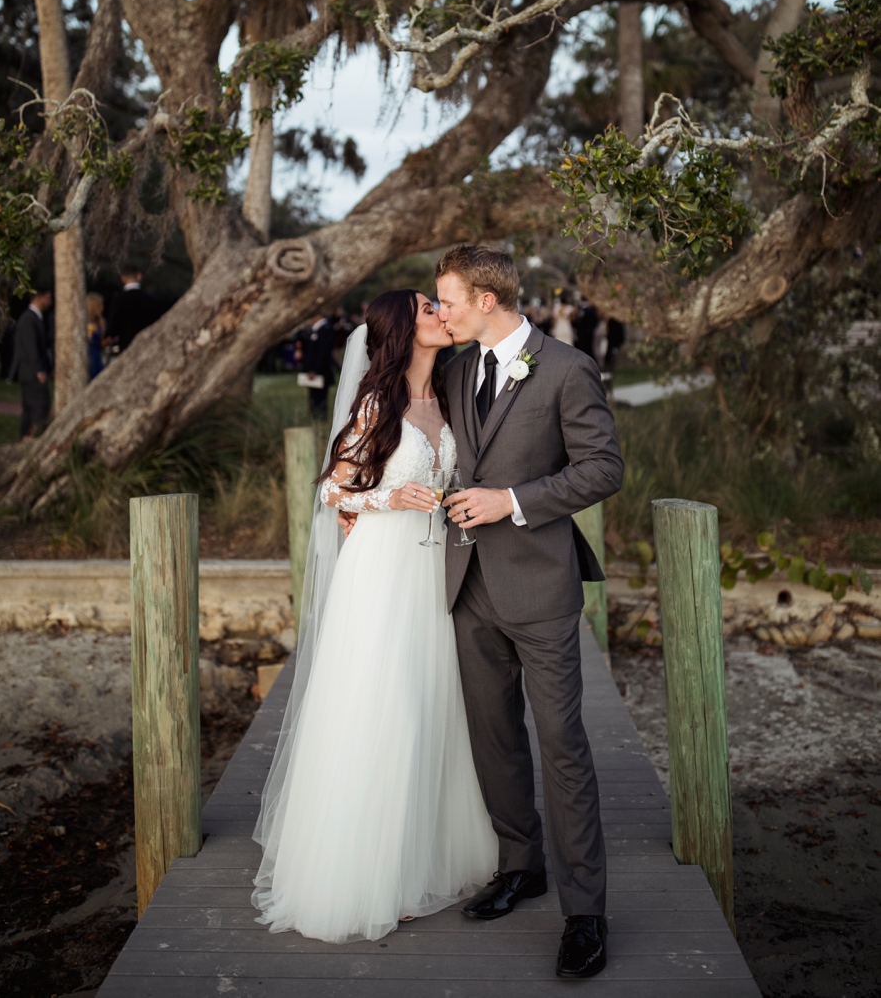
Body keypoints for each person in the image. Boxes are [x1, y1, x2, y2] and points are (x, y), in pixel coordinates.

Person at [252, 291, 497, 942]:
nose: (440, 314)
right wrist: (387, 495)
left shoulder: (450, 396)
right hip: (382, 574)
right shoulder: (375, 402)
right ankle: (371, 872)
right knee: (386, 708)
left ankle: (423, 855)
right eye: (426, 309)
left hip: (433, 575)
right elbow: (334, 485)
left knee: (430, 705)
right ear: (400, 329)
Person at [435, 244, 624, 981]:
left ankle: (585, 913)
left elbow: (603, 467)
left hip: (540, 589)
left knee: (562, 745)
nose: (439, 310)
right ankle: (521, 865)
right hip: (468, 584)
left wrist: (512, 501)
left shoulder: (568, 369)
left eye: (446, 298)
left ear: (486, 299)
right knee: (494, 739)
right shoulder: (455, 371)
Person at [9, 288, 53, 439]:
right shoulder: (29, 319)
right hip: (31, 373)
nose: (50, 302)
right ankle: (32, 437)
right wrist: (39, 371)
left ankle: (26, 438)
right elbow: (31, 347)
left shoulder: (35, 318)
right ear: (39, 297)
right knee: (38, 408)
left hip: (31, 372)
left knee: (30, 409)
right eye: (48, 298)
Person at [104, 264, 162, 352]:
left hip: (126, 346)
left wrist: (109, 336)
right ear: (139, 276)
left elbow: (113, 325)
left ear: (123, 278)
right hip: (148, 346)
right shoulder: (152, 300)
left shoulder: (119, 300)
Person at [294, 313, 336, 417]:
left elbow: (322, 353)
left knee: (320, 396)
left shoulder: (325, 330)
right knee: (313, 395)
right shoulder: (312, 330)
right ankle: (314, 415)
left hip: (321, 371)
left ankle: (320, 416)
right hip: (312, 369)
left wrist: (315, 370)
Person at [87, 293, 105, 379]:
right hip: (90, 356)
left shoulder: (100, 322)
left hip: (98, 355)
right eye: (99, 305)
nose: (102, 308)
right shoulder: (85, 323)